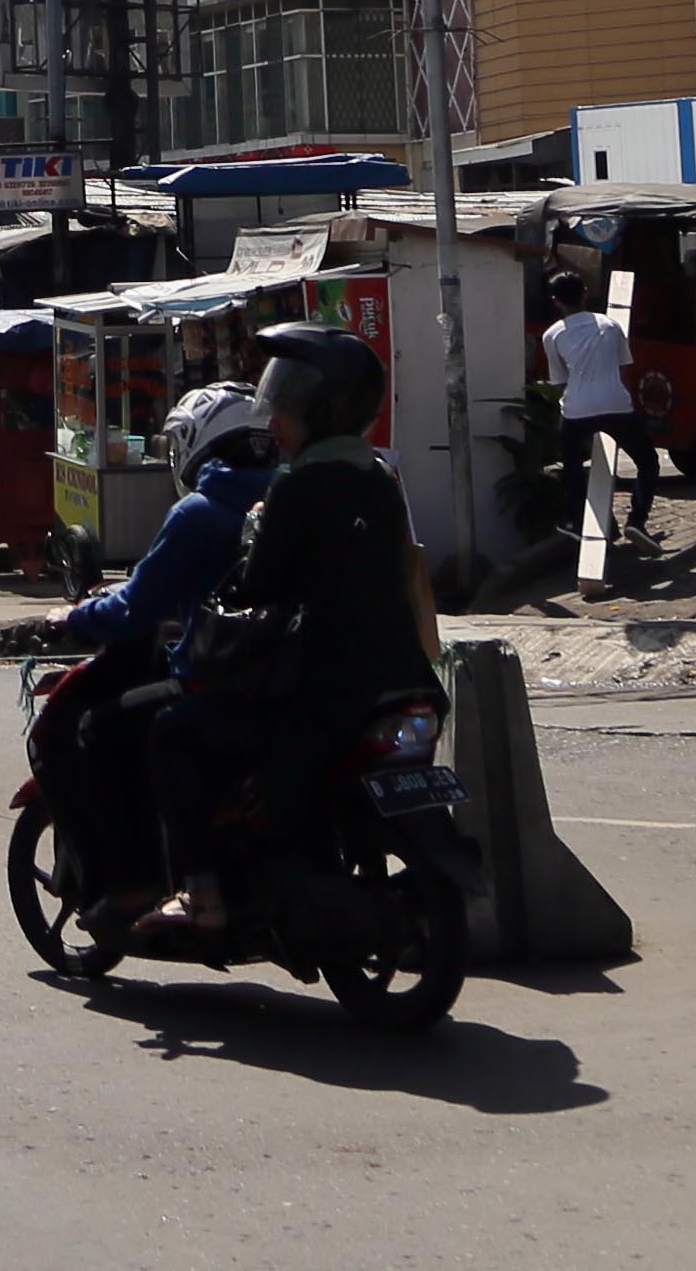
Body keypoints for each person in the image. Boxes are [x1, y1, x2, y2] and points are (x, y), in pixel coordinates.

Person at [129, 326, 438, 954]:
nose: (276, 419)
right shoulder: (379, 479)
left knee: (171, 734)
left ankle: (204, 895)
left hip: (318, 692)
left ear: (322, 411)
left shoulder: (294, 487)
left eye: (287, 403)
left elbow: (257, 587)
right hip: (403, 682)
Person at [51, 386, 269, 919]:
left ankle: (138, 881)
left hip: (222, 678)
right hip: (286, 677)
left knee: (101, 730)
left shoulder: (200, 511)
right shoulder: (286, 496)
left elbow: (136, 607)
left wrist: (75, 616)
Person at [543, 272, 657, 536]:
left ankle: (576, 523)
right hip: (615, 404)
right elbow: (624, 370)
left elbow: (559, 381)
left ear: (556, 301)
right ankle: (636, 521)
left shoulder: (552, 335)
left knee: (571, 467)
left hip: (577, 409)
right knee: (647, 462)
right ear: (585, 292)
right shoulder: (610, 326)